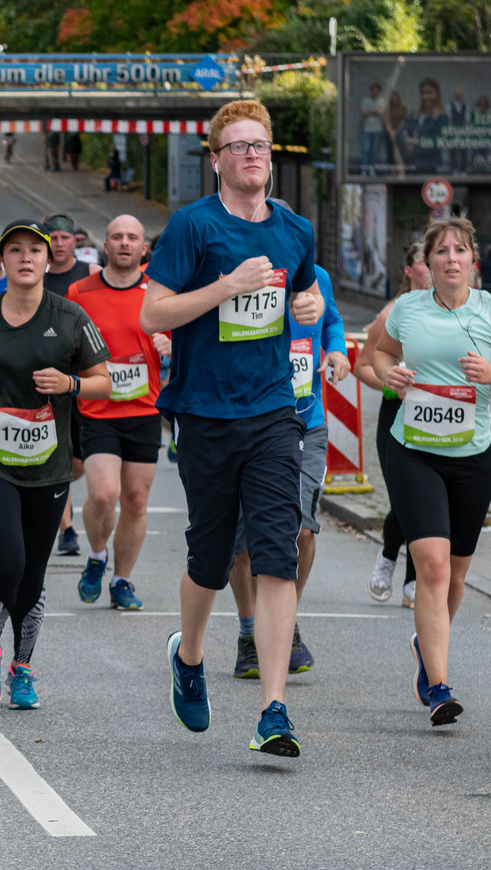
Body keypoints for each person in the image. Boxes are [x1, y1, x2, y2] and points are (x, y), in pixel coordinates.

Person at [139, 99, 325, 757]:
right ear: (215, 159)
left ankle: (273, 709)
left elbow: (304, 294)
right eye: (238, 146)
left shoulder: (294, 230)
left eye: (259, 145)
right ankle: (187, 656)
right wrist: (224, 287)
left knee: (276, 551)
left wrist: (311, 302)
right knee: (210, 559)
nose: (251, 155)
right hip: (204, 412)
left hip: (276, 412)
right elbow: (153, 315)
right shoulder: (192, 227)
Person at [367, 216, 491, 725]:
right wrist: (388, 375)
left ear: (473, 260)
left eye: (459, 251)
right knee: (434, 567)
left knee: (457, 574)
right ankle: (439, 686)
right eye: (440, 251)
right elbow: (377, 352)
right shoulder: (407, 309)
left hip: (472, 457)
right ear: (427, 261)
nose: (450, 259)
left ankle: (427, 648)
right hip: (413, 450)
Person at [0, 219, 110, 710]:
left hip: (49, 465)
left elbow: (104, 382)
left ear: (49, 259)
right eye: (15, 250)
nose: (26, 258)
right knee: (10, 562)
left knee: (35, 575)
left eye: (35, 250)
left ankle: (22, 669)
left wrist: (69, 385)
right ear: (1, 260)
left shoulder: (69, 317)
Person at [225, 259, 349, 678]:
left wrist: (335, 349)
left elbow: (332, 320)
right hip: (245, 421)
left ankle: (283, 622)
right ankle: (248, 632)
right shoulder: (232, 271)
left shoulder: (317, 275)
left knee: (301, 528)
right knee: (241, 536)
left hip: (306, 421)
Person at [70, 214, 171, 612]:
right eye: (117, 237)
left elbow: (186, 337)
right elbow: (65, 344)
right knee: (103, 493)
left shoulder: (159, 292)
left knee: (134, 500)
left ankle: (122, 580)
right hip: (97, 410)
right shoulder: (81, 292)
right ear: (105, 246)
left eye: (133, 237)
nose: (125, 243)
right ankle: (97, 555)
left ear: (144, 248)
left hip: (145, 409)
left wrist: (169, 344)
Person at [359, 241, 430, 606]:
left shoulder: (454, 311)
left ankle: (413, 581)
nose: (433, 266)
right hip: (396, 416)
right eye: (424, 260)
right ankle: (389, 557)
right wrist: (390, 381)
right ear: (409, 270)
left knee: (425, 498)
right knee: (406, 497)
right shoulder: (392, 314)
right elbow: (362, 366)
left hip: (436, 415)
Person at [41, 214, 97, 556]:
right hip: (48, 379)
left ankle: (51, 497)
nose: (59, 243)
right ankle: (67, 530)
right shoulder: (36, 277)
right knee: (58, 457)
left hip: (86, 379)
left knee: (78, 463)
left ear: (75, 240)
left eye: (64, 237)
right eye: (53, 238)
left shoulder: (90, 276)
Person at [361, 83, 388, 175]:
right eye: (373, 91)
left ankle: (372, 168)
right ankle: (364, 169)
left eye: (377, 91)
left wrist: (370, 111)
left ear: (379, 92)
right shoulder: (366, 100)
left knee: (375, 150)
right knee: (366, 149)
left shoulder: (382, 100)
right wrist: (375, 111)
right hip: (367, 129)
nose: (375, 93)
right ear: (371, 91)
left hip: (377, 129)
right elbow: (363, 113)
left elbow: (382, 112)